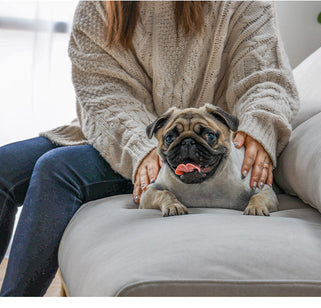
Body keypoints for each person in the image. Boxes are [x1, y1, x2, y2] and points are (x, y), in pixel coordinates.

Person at [0, 1, 298, 296]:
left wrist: (259, 125)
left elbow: (266, 78)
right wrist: (141, 145)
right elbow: (102, 94)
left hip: (203, 151)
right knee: (3, 166)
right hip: (121, 136)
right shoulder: (97, 8)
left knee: (57, 168)